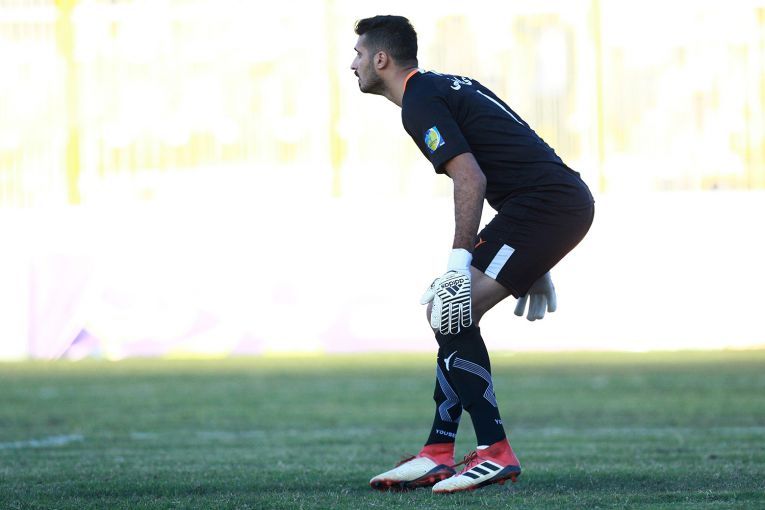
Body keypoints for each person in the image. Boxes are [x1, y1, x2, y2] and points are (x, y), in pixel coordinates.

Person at [350, 15, 594, 494]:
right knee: (446, 314)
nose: (351, 64)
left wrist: (459, 264)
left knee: (451, 311)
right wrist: (535, 259)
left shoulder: (419, 101)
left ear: (381, 59)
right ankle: (437, 452)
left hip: (544, 209)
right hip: (544, 207)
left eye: (358, 54)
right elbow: (520, 149)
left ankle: (494, 453)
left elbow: (471, 178)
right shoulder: (447, 85)